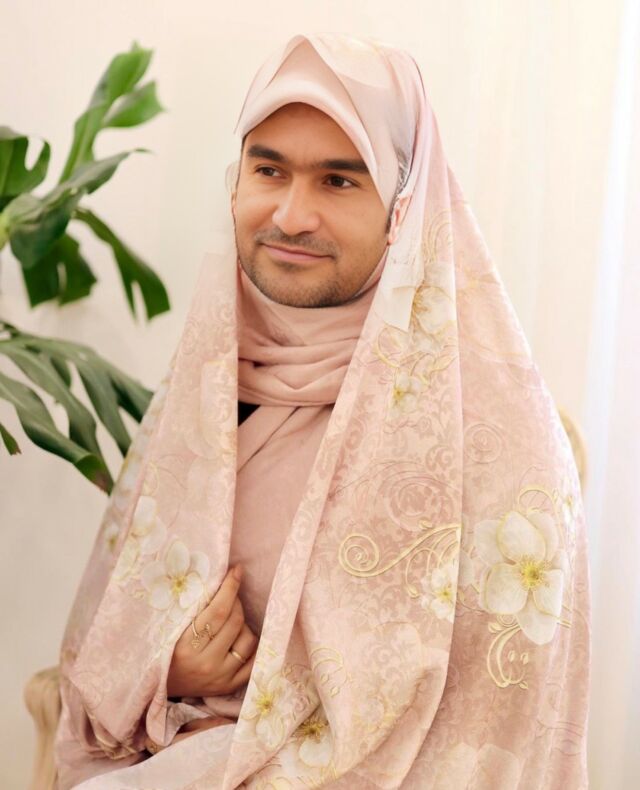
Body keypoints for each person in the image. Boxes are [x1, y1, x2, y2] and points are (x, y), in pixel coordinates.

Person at [53, 32, 591, 789]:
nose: (292, 215)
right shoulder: (210, 390)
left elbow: (496, 728)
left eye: (339, 181)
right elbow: (103, 648)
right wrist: (167, 669)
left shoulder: (499, 442)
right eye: (269, 170)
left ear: (404, 207)